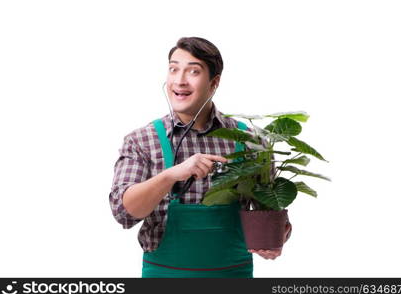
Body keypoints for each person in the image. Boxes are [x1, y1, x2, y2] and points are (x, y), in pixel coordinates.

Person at [109, 37, 292, 278]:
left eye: (193, 71)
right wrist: (171, 175)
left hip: (233, 276)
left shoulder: (251, 142)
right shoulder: (142, 140)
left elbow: (266, 213)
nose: (180, 80)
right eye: (174, 69)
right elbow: (124, 212)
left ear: (214, 82)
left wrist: (276, 238)